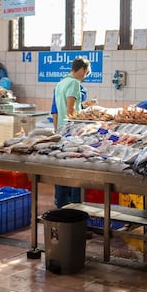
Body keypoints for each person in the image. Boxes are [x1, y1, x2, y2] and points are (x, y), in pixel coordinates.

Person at [52, 56, 91, 207]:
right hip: (73, 131)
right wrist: (86, 119)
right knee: (76, 168)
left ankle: (61, 202)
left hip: (62, 131)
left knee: (62, 168)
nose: (85, 76)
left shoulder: (61, 82)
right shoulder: (74, 83)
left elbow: (59, 109)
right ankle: (75, 204)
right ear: (81, 69)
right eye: (86, 72)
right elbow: (70, 109)